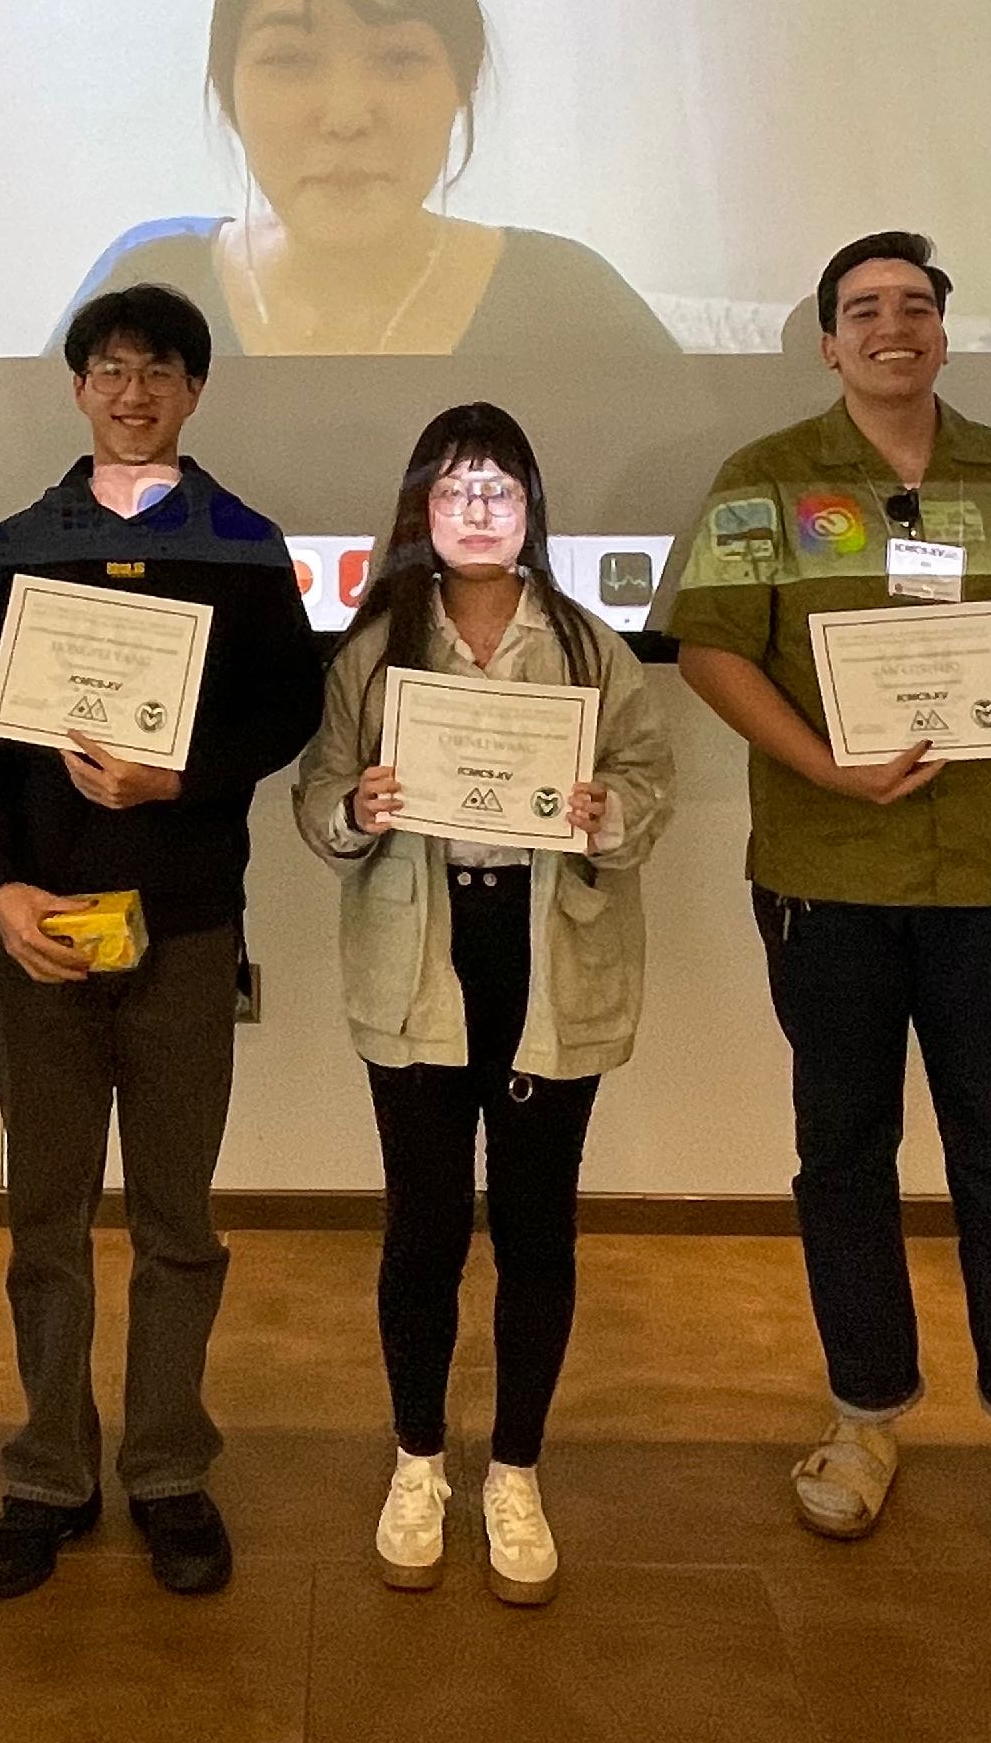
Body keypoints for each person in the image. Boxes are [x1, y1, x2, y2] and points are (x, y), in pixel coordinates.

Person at [658, 231, 991, 1565]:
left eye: (915, 306)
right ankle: (865, 1414)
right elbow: (707, 651)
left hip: (986, 877)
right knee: (842, 1153)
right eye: (864, 310)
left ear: (943, 333)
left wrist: (979, 709)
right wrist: (827, 765)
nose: (891, 327)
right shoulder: (766, 482)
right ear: (828, 341)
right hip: (823, 873)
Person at [0, 283, 329, 1599]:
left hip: (182, 928)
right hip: (41, 931)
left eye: (158, 372)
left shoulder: (242, 540)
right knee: (43, 1219)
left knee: (177, 1220)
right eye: (109, 370)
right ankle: (48, 1470)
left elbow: (288, 713)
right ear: (78, 387)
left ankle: (169, 1466)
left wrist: (185, 778)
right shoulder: (18, 545)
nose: (132, 392)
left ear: (194, 390)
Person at [294, 404, 676, 1605]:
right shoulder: (373, 649)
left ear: (532, 511)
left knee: (534, 1226)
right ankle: (418, 1460)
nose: (475, 511)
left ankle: (514, 1466)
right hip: (421, 952)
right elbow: (315, 801)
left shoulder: (587, 643)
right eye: (454, 491)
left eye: (499, 490)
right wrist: (359, 807)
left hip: (548, 950)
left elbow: (648, 780)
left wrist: (608, 814)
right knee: (421, 1226)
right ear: (419, 510)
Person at [66, 0, 678, 356]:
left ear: (460, 85)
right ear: (230, 95)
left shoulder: (569, 300)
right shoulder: (147, 292)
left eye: (400, 58)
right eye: (289, 59)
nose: (346, 115)